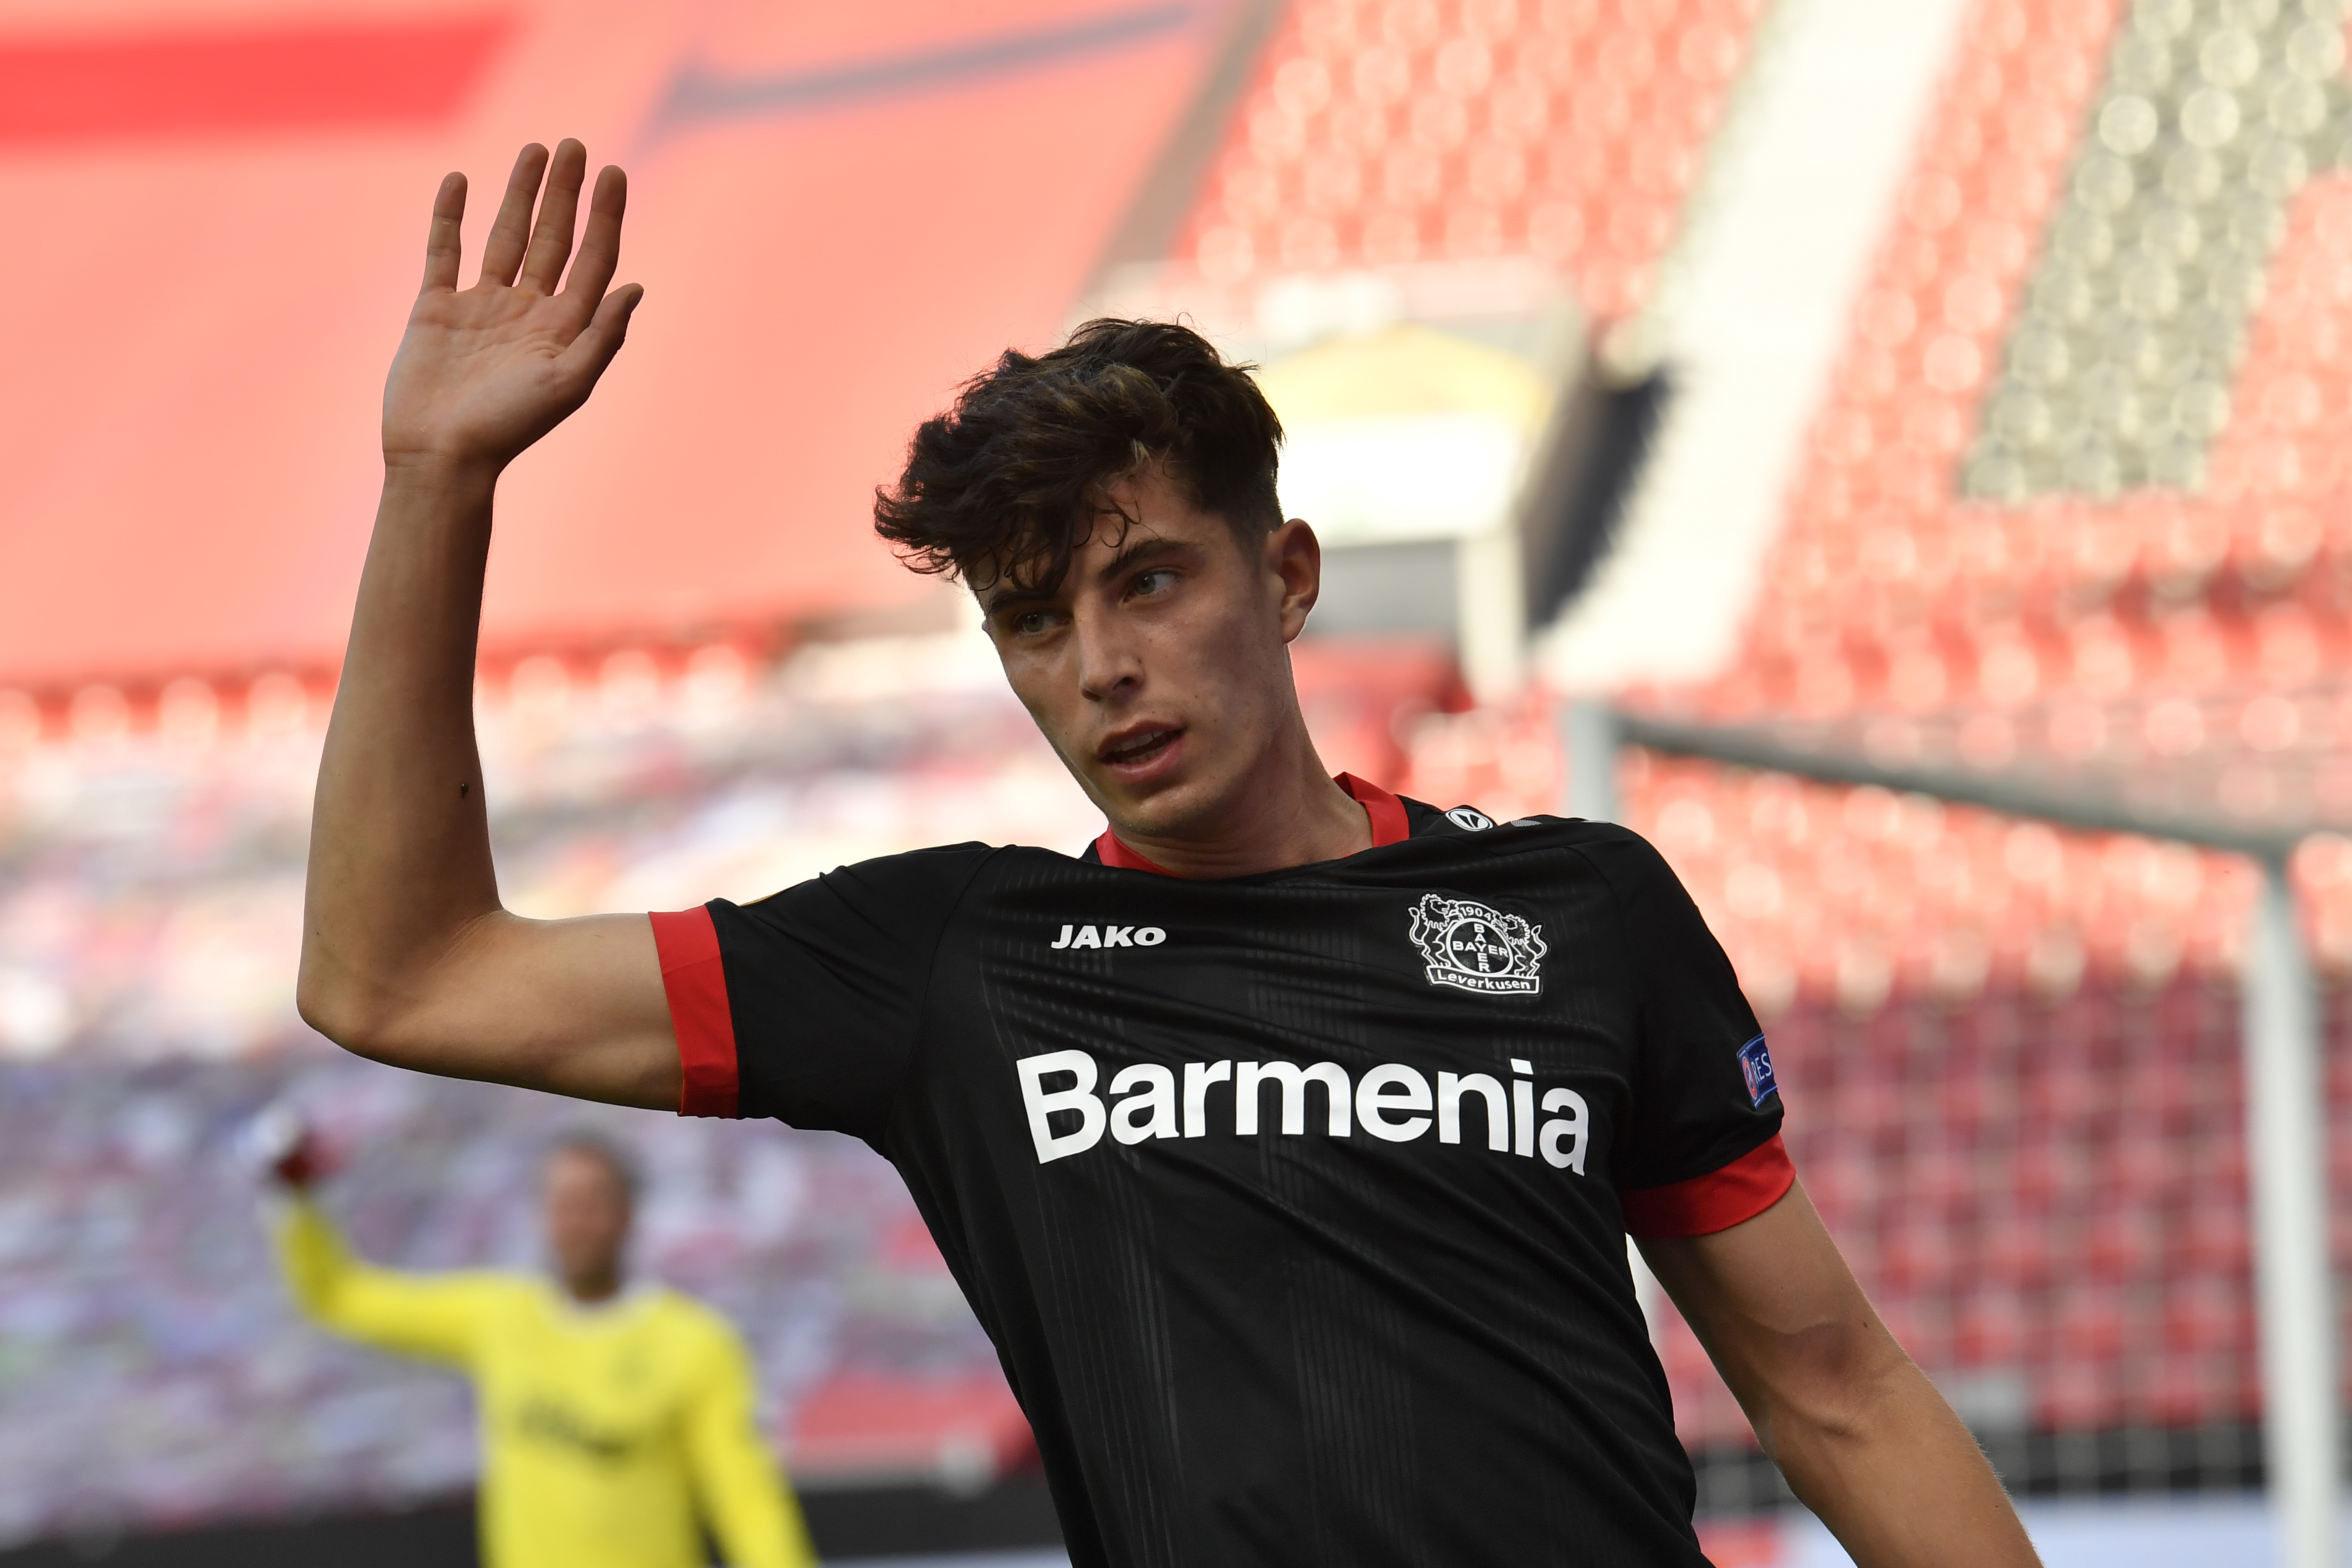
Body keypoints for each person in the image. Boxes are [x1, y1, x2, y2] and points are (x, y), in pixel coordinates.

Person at [298, 140, 2041, 1566]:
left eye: (1146, 581)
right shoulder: (950, 963)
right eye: (1033, 619)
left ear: (1280, 578)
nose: (1097, 665)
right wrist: (435, 480)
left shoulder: (1577, 909)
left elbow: (1830, 1388)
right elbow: (396, 972)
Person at [263, 1121, 817, 1568]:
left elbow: (746, 1502)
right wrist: (296, 1199)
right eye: (562, 1203)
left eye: (593, 1203)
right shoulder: (501, 1316)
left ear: (628, 1214)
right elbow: (340, 1295)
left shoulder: (693, 1343)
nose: (577, 1222)